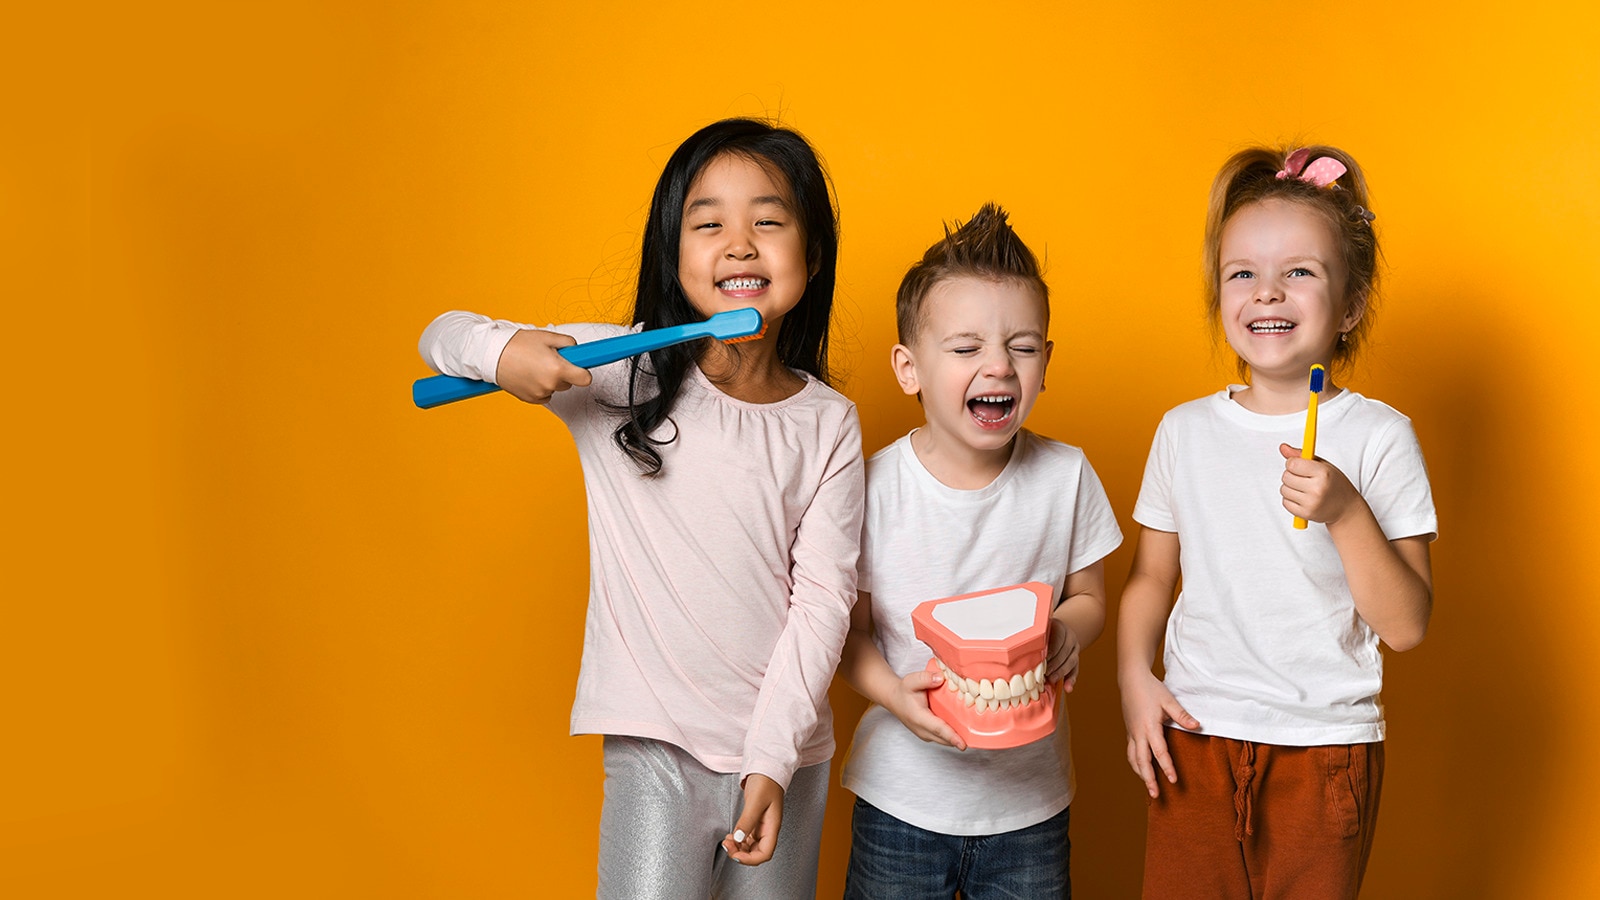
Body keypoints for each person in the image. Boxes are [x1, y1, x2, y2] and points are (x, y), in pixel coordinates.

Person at [417, 118, 863, 900]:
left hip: (787, 753)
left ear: (812, 252)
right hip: (656, 743)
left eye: (768, 219)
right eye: (708, 223)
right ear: (675, 251)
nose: (739, 243)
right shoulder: (622, 371)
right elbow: (439, 336)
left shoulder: (829, 422)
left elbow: (823, 602)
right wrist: (504, 350)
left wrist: (772, 760)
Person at [1117, 145, 1437, 899]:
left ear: (1350, 304)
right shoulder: (1183, 433)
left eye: (1299, 272)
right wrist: (1134, 677)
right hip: (1192, 740)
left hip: (1324, 751)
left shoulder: (1379, 436)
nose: (1267, 293)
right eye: (1243, 274)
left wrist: (1345, 511)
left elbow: (1408, 624)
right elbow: (1151, 578)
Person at [837, 203, 1122, 899]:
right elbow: (847, 632)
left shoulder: (1067, 475)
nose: (998, 365)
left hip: (1031, 806)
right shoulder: (869, 489)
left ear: (1046, 362)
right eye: (966, 349)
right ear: (909, 369)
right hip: (900, 802)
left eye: (1022, 347)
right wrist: (890, 696)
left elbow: (1090, 597)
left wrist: (1068, 630)